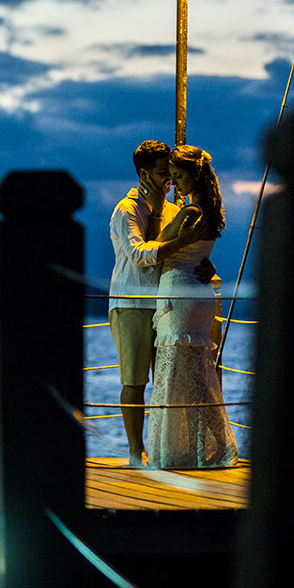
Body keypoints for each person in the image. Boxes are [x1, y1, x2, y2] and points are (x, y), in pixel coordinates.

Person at [109, 140, 214, 466]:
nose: (169, 179)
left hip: (167, 305)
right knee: (135, 380)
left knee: (170, 380)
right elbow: (140, 255)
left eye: (170, 173)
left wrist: (205, 265)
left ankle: (171, 449)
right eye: (161, 173)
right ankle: (134, 452)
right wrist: (174, 235)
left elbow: (182, 253)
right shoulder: (126, 210)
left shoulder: (173, 208)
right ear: (143, 173)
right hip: (132, 303)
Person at [145, 145, 238, 469]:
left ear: (194, 174)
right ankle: (212, 446)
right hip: (198, 293)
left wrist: (158, 207)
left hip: (181, 293)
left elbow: (157, 247)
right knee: (199, 375)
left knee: (175, 374)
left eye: (179, 176)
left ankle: (176, 451)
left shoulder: (190, 213)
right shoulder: (210, 212)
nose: (176, 183)